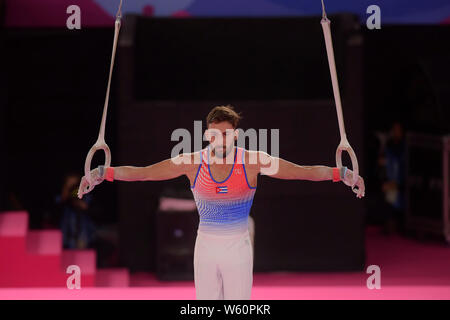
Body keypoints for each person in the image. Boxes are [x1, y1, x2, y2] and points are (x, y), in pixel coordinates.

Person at [78, 105, 365, 299]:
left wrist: (343, 174)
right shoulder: (191, 162)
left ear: (236, 135)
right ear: (206, 135)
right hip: (204, 247)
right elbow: (143, 174)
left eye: (227, 133)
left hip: (237, 248)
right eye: (215, 134)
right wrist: (103, 172)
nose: (221, 139)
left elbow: (303, 172)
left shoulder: (252, 161)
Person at [56, 172, 96, 249]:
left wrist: (82, 205)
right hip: (67, 229)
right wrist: (67, 187)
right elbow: (63, 200)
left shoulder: (83, 190)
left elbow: (87, 205)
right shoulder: (66, 193)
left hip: (82, 229)